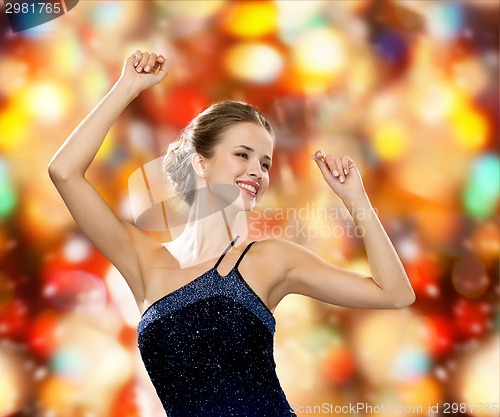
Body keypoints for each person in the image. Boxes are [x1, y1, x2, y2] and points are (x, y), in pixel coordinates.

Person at [48, 50, 415, 417]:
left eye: (265, 163)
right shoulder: (144, 261)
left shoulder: (269, 259)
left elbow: (395, 294)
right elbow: (64, 172)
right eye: (243, 155)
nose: (257, 171)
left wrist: (356, 198)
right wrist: (127, 86)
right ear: (200, 162)